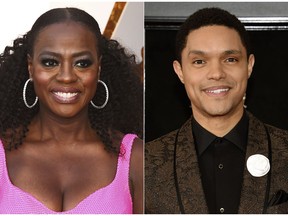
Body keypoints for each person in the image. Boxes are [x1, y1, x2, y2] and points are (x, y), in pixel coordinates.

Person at [0, 7, 143, 214]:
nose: (66, 76)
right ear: (31, 67)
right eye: (50, 62)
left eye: (82, 63)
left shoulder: (136, 159)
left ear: (99, 69)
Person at [145, 7, 288, 214]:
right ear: (180, 71)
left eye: (230, 59)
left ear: (249, 65)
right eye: (199, 61)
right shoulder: (147, 163)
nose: (216, 73)